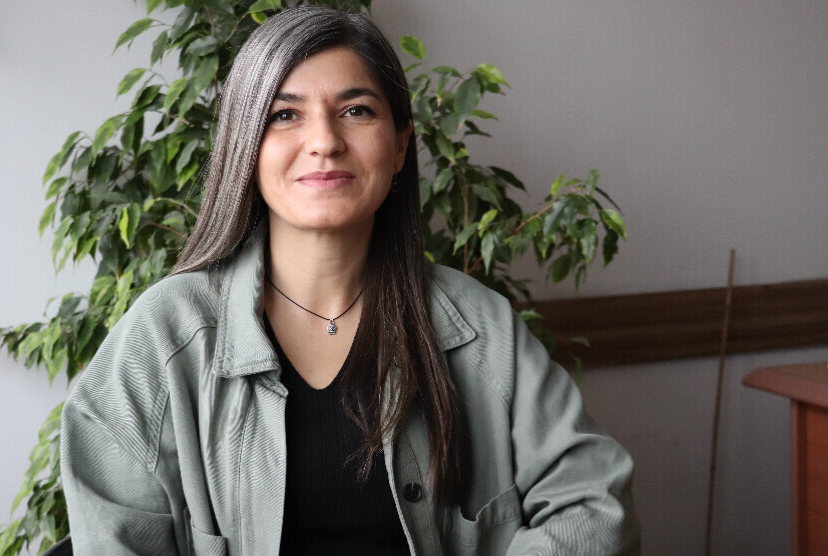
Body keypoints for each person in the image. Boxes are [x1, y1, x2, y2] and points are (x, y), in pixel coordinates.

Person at [60, 6, 639, 555]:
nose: (324, 142)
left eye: (356, 111)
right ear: (245, 148)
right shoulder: (161, 339)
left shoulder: (483, 329)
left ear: (401, 144)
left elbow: (594, 505)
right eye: (284, 115)